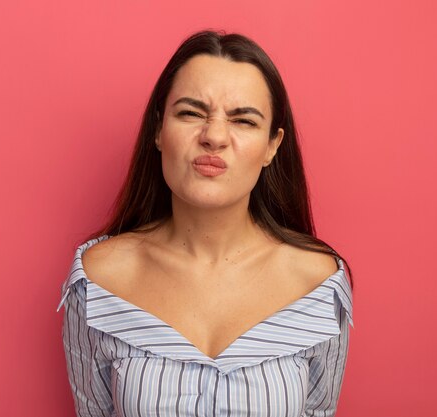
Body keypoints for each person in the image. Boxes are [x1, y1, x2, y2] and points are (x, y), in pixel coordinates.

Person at [57, 29, 354, 417]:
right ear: (159, 130)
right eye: (191, 113)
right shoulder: (98, 281)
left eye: (243, 121)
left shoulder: (318, 285)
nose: (214, 136)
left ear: (272, 145)